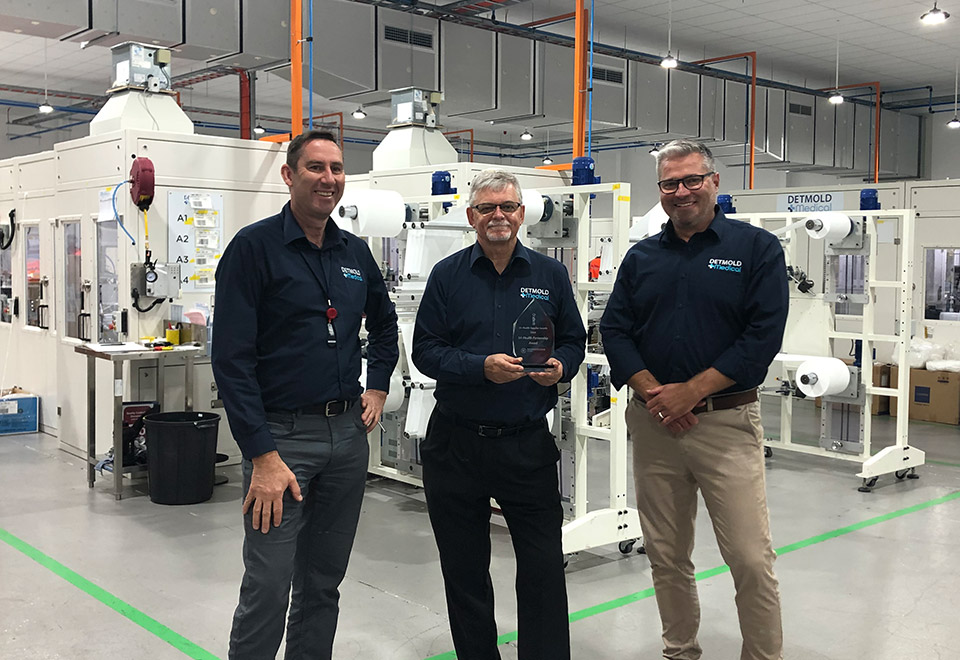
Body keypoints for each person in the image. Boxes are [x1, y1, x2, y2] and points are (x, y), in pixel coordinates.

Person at [212, 129, 399, 660]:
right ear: (289, 175)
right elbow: (231, 361)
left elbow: (385, 328)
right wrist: (262, 456)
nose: (329, 179)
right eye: (316, 168)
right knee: (269, 583)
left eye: (337, 169)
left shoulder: (354, 252)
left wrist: (379, 386)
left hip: (346, 436)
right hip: (281, 442)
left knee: (323, 581)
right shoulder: (254, 249)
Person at [600, 139, 788, 660]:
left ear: (713, 182)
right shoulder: (642, 258)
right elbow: (615, 331)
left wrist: (691, 393)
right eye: (669, 183)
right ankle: (680, 650)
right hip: (655, 426)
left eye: (691, 180)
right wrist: (655, 395)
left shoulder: (756, 250)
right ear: (660, 190)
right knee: (665, 554)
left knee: (750, 557)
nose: (681, 192)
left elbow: (762, 338)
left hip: (726, 426)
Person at [412, 169, 586, 660]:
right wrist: (479, 368)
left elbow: (574, 339)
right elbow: (425, 349)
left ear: (521, 214)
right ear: (471, 216)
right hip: (456, 443)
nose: (498, 216)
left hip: (525, 442)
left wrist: (561, 367)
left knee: (543, 567)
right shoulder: (447, 275)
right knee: (464, 570)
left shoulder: (549, 275)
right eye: (487, 208)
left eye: (507, 207)